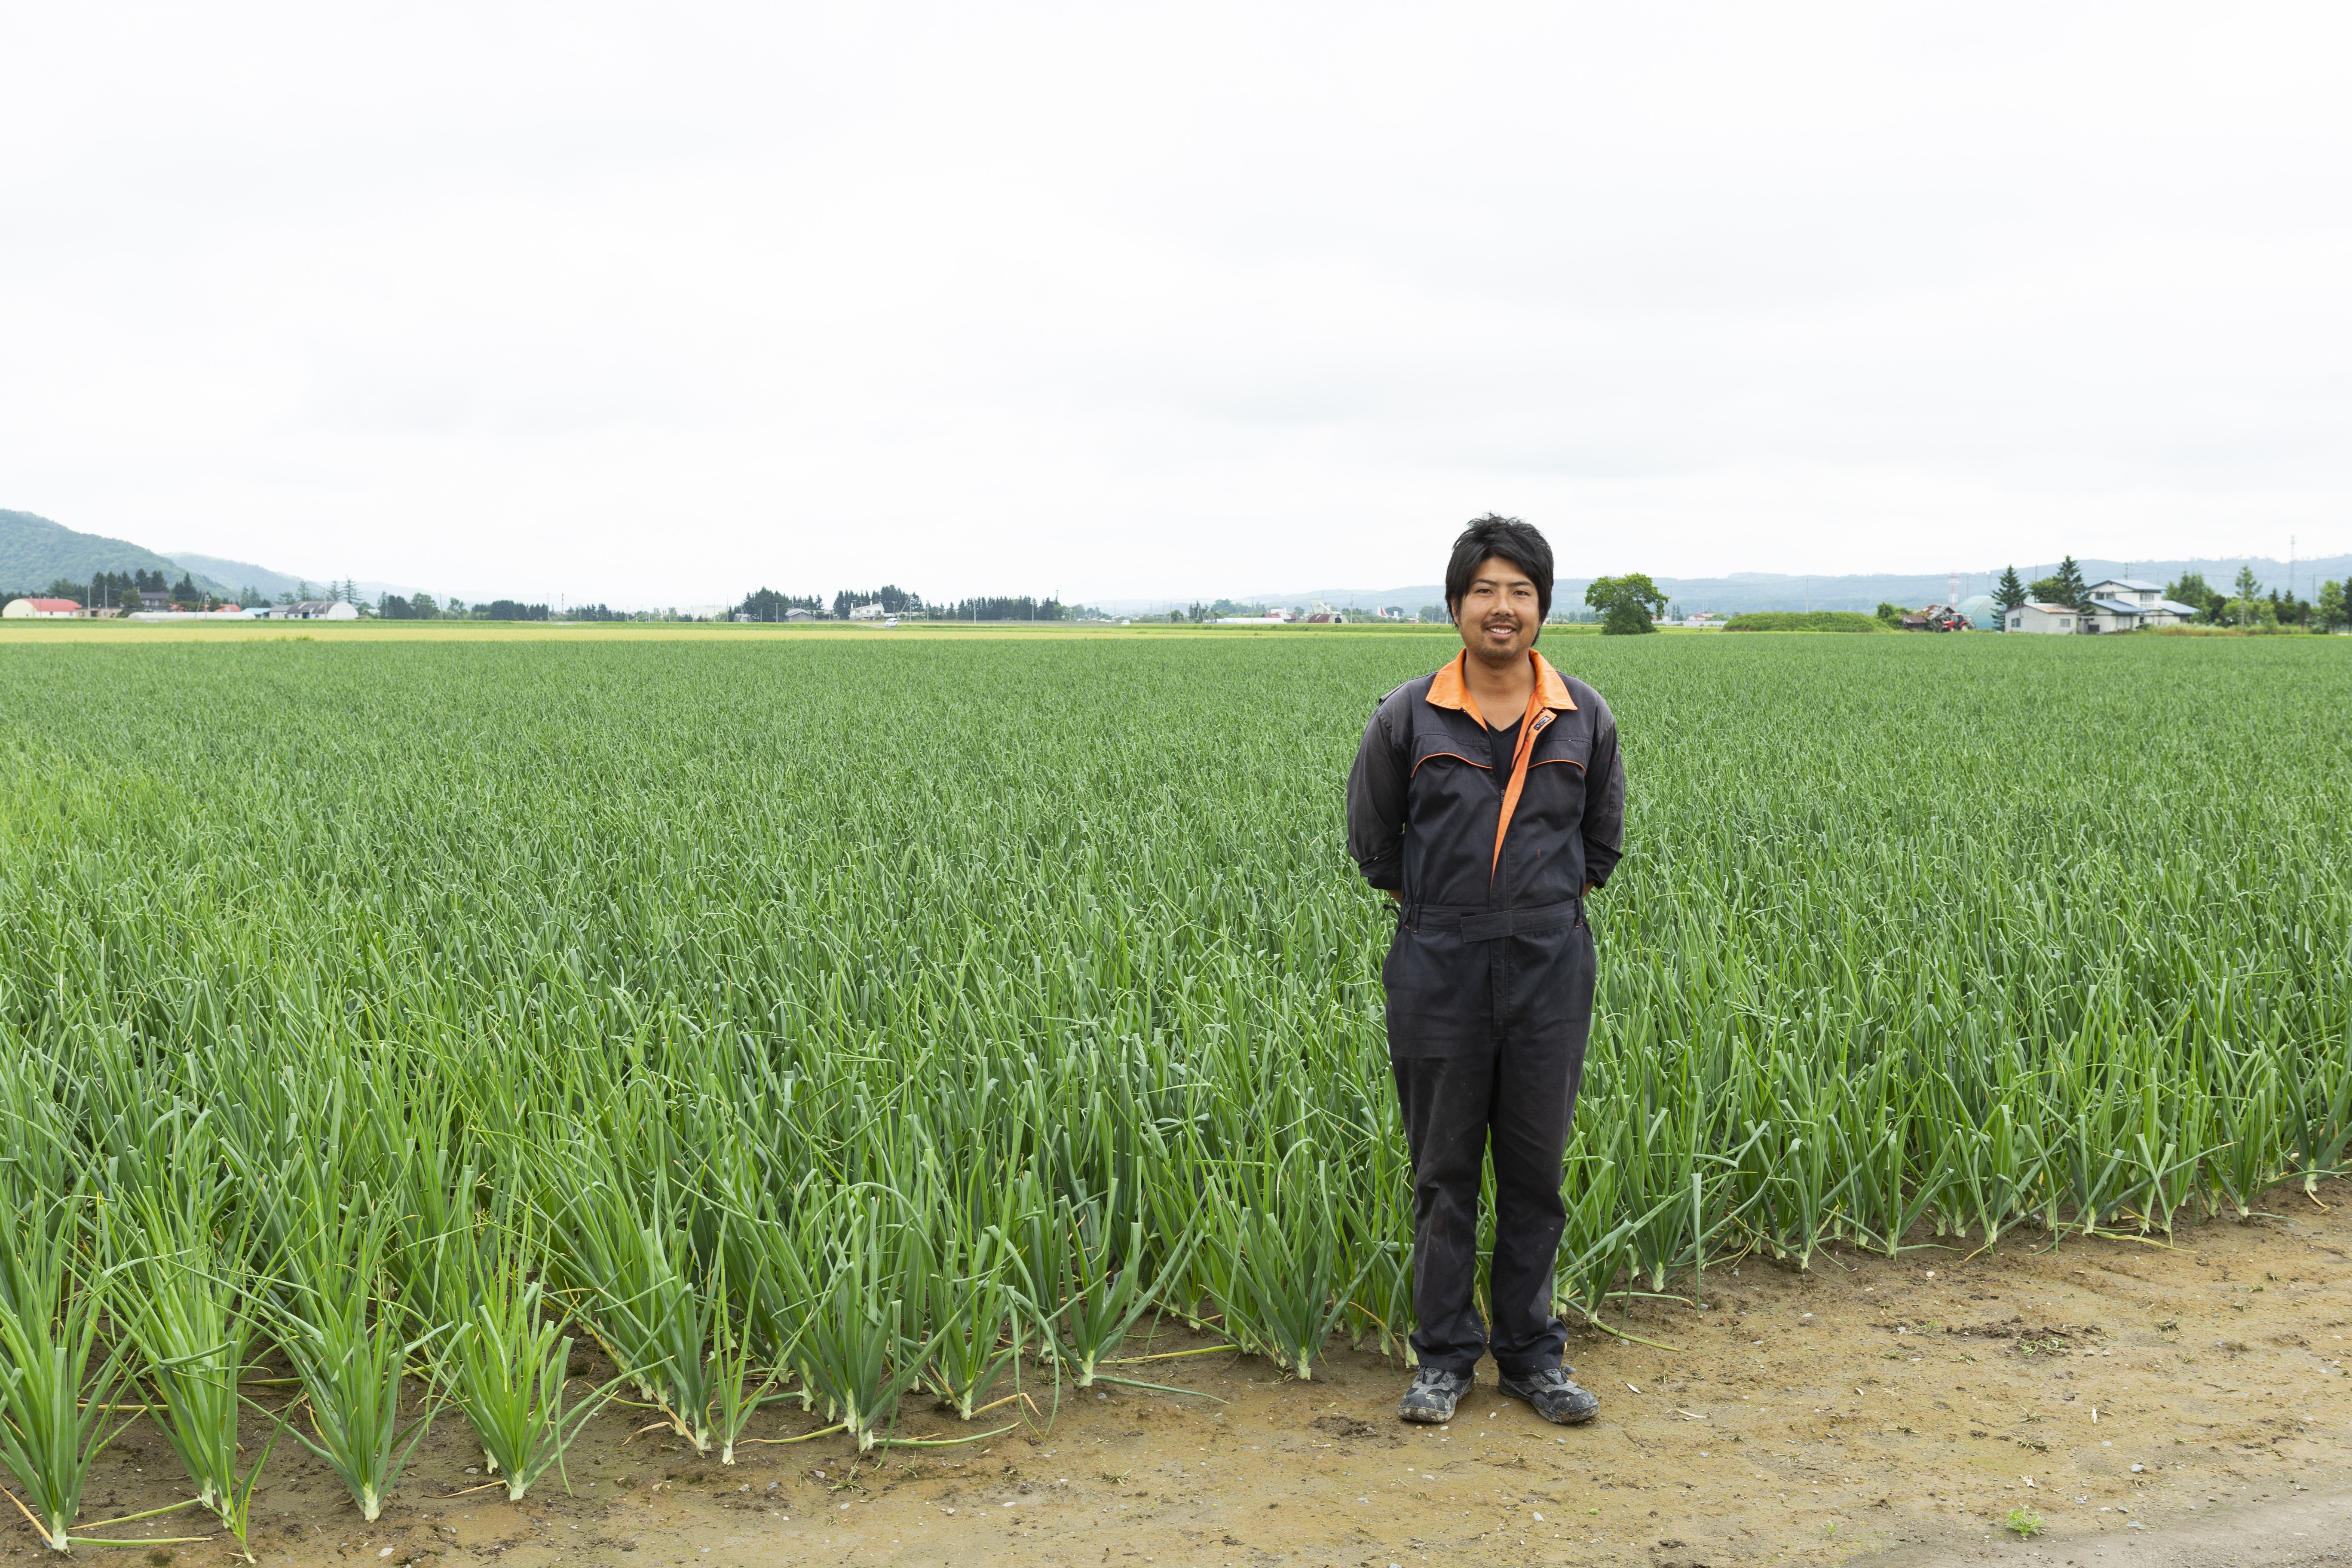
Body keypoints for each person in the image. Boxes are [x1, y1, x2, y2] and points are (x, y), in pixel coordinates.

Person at [1344, 514, 1624, 1426]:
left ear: (1542, 607)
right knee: (1444, 1172)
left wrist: (1532, 913)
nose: (1502, 608)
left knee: (1537, 1173)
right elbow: (1374, 843)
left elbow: (1601, 845)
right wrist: (1450, 914)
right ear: (1456, 605)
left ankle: (1535, 1360)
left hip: (1551, 966)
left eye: (1520, 592)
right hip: (1439, 965)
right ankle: (1443, 1360)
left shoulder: (1584, 715)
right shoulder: (1407, 715)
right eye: (1485, 592)